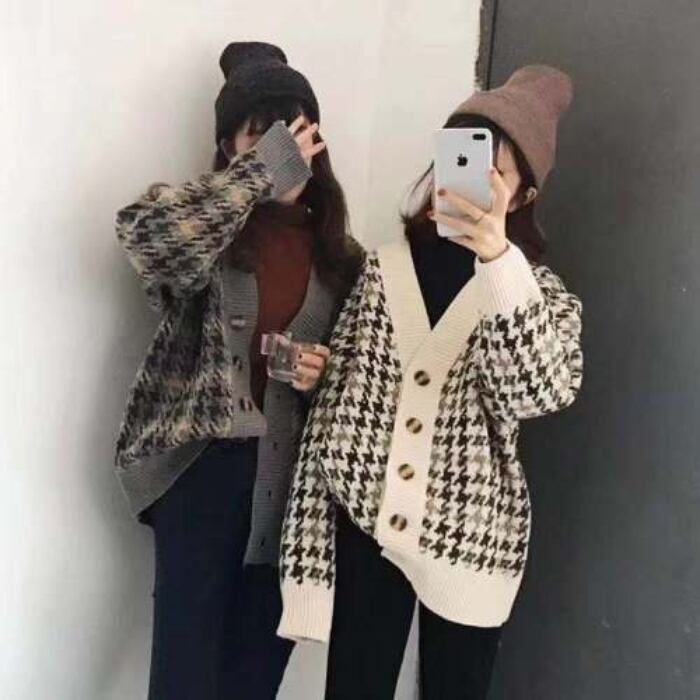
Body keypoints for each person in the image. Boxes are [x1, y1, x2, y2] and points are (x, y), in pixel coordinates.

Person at [277, 65, 583, 699]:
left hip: (471, 543)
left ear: (522, 196)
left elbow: (537, 392)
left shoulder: (538, 295)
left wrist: (497, 260)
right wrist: (305, 571)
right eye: (462, 155)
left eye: (495, 170)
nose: (471, 177)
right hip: (367, 527)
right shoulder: (383, 269)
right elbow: (336, 415)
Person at [113, 41, 363, 699]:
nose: (288, 150)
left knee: (252, 682)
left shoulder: (343, 258)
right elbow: (148, 241)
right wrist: (258, 177)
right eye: (264, 134)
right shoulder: (205, 228)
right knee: (184, 680)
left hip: (294, 491)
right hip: (204, 474)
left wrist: (322, 375)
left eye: (296, 131)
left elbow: (364, 386)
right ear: (231, 148)